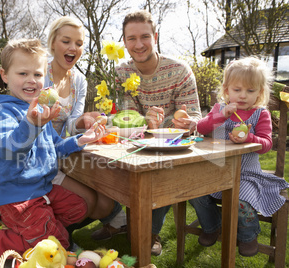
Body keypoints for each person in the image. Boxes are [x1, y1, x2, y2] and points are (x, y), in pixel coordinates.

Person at [0, 38, 105, 268]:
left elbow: (56, 147)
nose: (31, 80)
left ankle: (43, 233)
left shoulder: (40, 110)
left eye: (38, 75)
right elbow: (5, 148)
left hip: (41, 189)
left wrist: (80, 139)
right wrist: (31, 123)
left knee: (78, 205)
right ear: (5, 76)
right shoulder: (5, 113)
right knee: (57, 245)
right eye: (22, 74)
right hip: (17, 196)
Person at [94, 10, 203, 255]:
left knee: (158, 171)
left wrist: (183, 121)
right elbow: (126, 116)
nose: (139, 44)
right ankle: (119, 221)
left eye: (145, 36)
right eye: (131, 38)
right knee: (100, 165)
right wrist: (144, 122)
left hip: (176, 146)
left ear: (155, 36)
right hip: (138, 142)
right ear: (124, 42)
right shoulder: (121, 73)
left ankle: (148, 233)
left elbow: (196, 117)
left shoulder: (179, 70)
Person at [192, 57, 289, 257]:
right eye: (237, 90)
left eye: (250, 91)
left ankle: (248, 235)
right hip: (215, 170)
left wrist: (249, 138)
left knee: (242, 200)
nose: (243, 96)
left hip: (245, 174)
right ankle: (212, 226)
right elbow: (201, 128)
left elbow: (266, 144)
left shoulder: (260, 114)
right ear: (227, 90)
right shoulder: (220, 109)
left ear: (260, 92)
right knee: (196, 194)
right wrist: (221, 116)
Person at [44, 16, 128, 240]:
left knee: (106, 201)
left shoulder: (79, 80)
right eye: (66, 41)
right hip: (41, 153)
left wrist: (83, 121)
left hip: (64, 150)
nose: (73, 48)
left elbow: (71, 124)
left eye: (79, 44)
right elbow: (37, 122)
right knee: (89, 200)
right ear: (53, 43)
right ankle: (48, 234)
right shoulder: (39, 74)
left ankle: (56, 229)